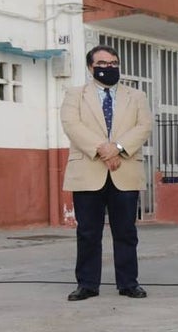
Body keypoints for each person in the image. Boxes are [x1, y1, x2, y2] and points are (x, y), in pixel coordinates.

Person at [60, 46, 153, 301]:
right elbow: (71, 125)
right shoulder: (75, 95)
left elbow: (144, 126)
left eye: (113, 63)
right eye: (102, 63)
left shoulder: (136, 95)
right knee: (88, 232)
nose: (108, 67)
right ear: (91, 67)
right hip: (88, 171)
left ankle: (128, 283)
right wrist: (102, 150)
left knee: (125, 232)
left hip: (124, 170)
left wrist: (118, 148)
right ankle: (87, 285)